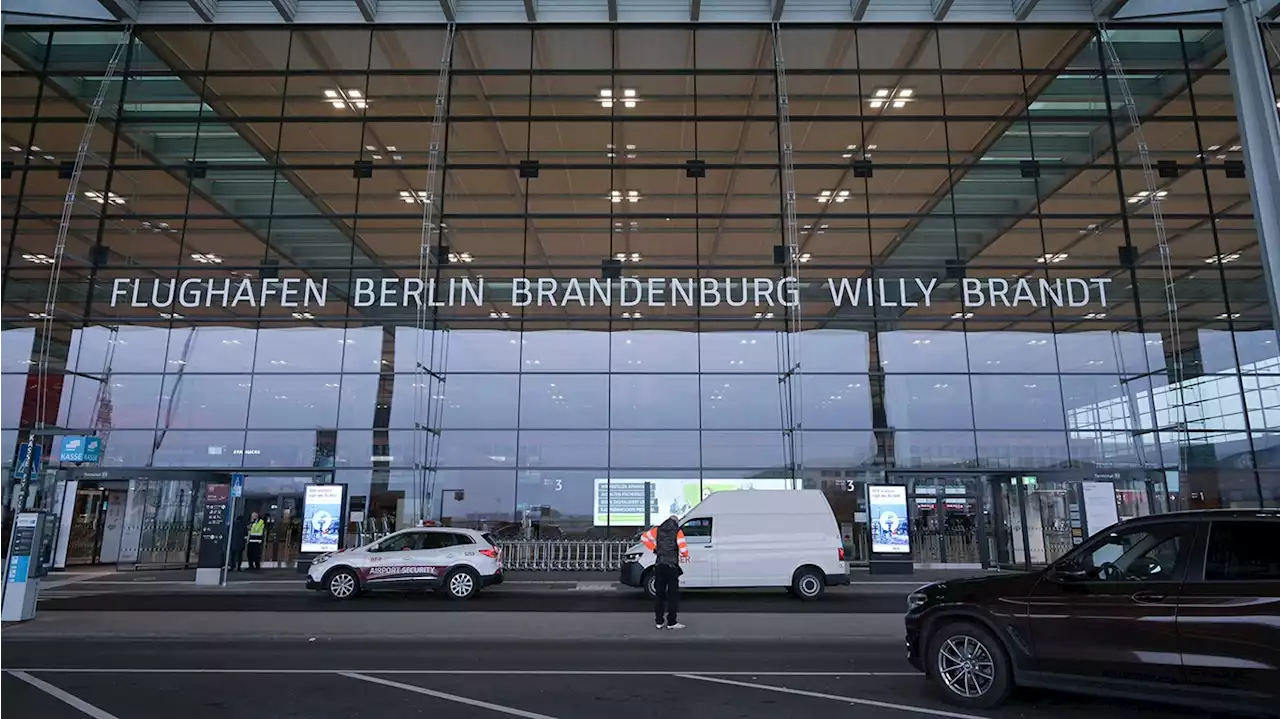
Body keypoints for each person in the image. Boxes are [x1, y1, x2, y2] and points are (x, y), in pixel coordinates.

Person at [640, 515, 689, 630]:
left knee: (659, 595)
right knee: (672, 595)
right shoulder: (678, 532)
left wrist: (655, 549)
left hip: (659, 566)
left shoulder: (657, 530)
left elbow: (644, 537)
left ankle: (659, 621)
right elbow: (683, 549)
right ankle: (671, 622)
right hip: (672, 567)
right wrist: (685, 554)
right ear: (676, 523)